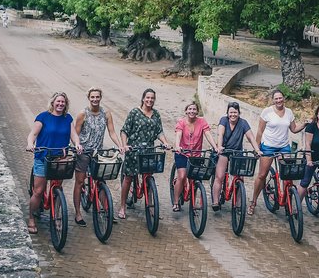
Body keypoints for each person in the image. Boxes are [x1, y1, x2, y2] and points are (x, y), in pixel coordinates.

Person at [25, 92, 82, 234]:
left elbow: (73, 135)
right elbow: (33, 134)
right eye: (58, 101)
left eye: (63, 102)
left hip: (60, 159)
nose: (60, 104)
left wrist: (77, 144)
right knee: (38, 191)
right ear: (53, 103)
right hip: (43, 157)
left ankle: (56, 217)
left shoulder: (67, 118)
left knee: (58, 189)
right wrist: (30, 144)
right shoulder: (43, 117)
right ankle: (31, 217)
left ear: (66, 104)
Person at [249, 89, 307, 215]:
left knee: (288, 175)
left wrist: (304, 124)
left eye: (280, 98)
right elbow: (260, 131)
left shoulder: (289, 112)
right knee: (262, 175)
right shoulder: (267, 112)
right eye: (276, 98)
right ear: (273, 100)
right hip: (268, 146)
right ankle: (253, 201)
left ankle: (288, 201)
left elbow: (293, 129)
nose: (279, 100)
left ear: (284, 98)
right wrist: (257, 148)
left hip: (284, 147)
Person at [72, 87, 123, 226]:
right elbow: (75, 134)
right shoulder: (83, 114)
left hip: (98, 152)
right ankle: (78, 213)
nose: (95, 99)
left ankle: (108, 210)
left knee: (101, 180)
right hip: (83, 152)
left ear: (101, 97)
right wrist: (78, 146)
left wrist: (119, 145)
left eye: (97, 97)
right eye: (92, 97)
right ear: (88, 98)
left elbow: (112, 132)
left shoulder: (106, 113)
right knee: (80, 181)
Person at [118, 88, 171, 219]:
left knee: (148, 178)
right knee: (128, 178)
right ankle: (123, 206)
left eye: (152, 98)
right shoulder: (134, 113)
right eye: (147, 98)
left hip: (148, 151)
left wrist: (165, 142)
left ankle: (152, 207)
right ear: (143, 98)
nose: (150, 100)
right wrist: (125, 145)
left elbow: (159, 131)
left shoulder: (156, 114)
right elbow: (124, 131)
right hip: (133, 150)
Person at [211, 102, 261, 211]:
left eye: (235, 112)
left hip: (237, 152)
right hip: (224, 151)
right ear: (227, 113)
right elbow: (221, 134)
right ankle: (215, 201)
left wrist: (257, 149)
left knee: (240, 177)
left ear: (239, 113)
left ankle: (238, 203)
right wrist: (219, 146)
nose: (233, 114)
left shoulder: (243, 123)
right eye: (231, 112)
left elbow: (251, 137)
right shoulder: (223, 120)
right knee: (219, 176)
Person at [172, 102, 218, 212]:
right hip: (182, 153)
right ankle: (176, 202)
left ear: (197, 111)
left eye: (194, 109)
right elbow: (178, 134)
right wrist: (177, 146)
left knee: (196, 177)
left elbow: (207, 134)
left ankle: (193, 198)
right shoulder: (181, 122)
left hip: (196, 155)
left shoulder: (202, 122)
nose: (192, 111)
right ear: (186, 111)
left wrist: (215, 147)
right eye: (190, 109)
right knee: (182, 176)